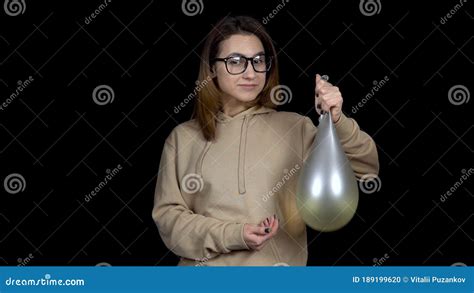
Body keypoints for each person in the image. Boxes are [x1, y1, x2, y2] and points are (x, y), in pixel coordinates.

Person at [152, 16, 379, 266]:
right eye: (235, 61)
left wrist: (335, 120)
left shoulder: (296, 128)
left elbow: (366, 168)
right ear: (212, 68)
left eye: (258, 61)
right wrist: (235, 235)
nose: (250, 72)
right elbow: (169, 221)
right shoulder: (182, 138)